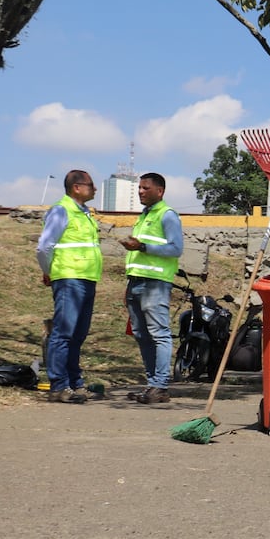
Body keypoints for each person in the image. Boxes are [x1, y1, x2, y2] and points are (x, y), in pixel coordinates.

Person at [35, 170, 103, 404]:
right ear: (76, 187)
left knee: (78, 335)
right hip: (69, 278)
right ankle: (58, 385)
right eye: (91, 185)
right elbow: (44, 246)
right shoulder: (61, 210)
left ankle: (75, 383)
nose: (94, 189)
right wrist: (49, 271)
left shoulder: (85, 213)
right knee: (64, 333)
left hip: (87, 278)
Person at [120, 172, 184, 404]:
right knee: (141, 335)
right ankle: (152, 385)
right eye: (139, 188)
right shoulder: (145, 216)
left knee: (159, 334)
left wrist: (143, 246)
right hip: (136, 282)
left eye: (146, 188)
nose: (140, 191)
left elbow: (176, 249)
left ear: (160, 191)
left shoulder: (167, 216)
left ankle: (160, 385)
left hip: (155, 284)